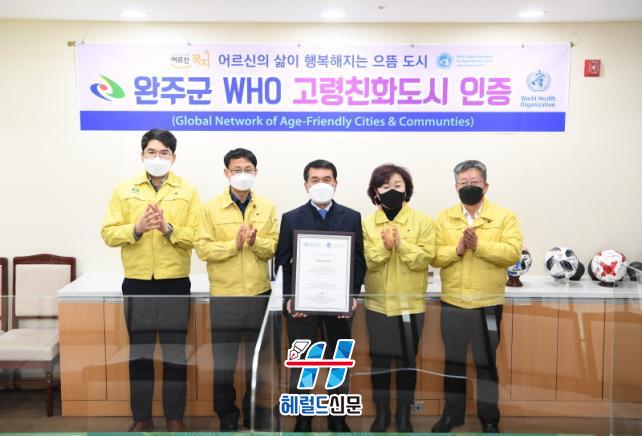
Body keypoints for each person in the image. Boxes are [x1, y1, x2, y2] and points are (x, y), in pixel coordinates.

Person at [101, 128, 200, 432]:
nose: (158, 158)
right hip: (138, 282)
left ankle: (174, 417)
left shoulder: (187, 190)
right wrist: (137, 228)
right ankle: (142, 417)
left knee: (175, 354)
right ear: (142, 155)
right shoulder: (124, 189)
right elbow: (108, 233)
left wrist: (169, 230)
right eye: (152, 152)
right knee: (140, 354)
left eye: (164, 153)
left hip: (174, 282)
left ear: (173, 157)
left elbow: (197, 236)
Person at [431, 160, 522, 433]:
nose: (468, 186)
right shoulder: (444, 218)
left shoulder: (505, 217)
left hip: (488, 304)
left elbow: (512, 253)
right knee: (453, 362)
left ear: (486, 185)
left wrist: (479, 245)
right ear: (455, 187)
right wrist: (458, 249)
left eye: (474, 182)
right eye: (463, 183)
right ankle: (452, 416)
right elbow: (434, 256)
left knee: (486, 365)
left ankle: (490, 419)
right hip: (453, 302)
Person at [275, 159, 366, 432]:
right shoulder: (291, 217)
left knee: (338, 362)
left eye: (327, 179)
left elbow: (358, 260)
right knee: (302, 362)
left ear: (336, 183)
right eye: (315, 179)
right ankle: (303, 418)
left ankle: (337, 417)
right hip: (301, 306)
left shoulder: (352, 216)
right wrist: (290, 298)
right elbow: (282, 262)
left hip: (339, 305)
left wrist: (351, 296)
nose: (321, 184)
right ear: (306, 185)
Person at [195, 148, 278, 431]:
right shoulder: (210, 208)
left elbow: (273, 248)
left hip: (258, 295)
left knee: (256, 363)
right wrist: (235, 245)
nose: (243, 175)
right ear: (226, 173)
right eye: (237, 170)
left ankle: (252, 412)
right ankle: (227, 417)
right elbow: (203, 249)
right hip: (225, 296)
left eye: (248, 170)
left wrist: (255, 242)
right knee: (224, 364)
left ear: (256, 172)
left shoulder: (267, 207)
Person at [362, 164, 435, 433]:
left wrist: (401, 246)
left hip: (410, 306)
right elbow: (367, 261)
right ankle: (382, 413)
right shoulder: (366, 223)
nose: (391, 190)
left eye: (397, 185)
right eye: (385, 186)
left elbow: (425, 259)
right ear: (375, 192)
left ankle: (404, 414)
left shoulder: (423, 222)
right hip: (377, 305)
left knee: (407, 362)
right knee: (379, 362)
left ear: (406, 190)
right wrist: (384, 248)